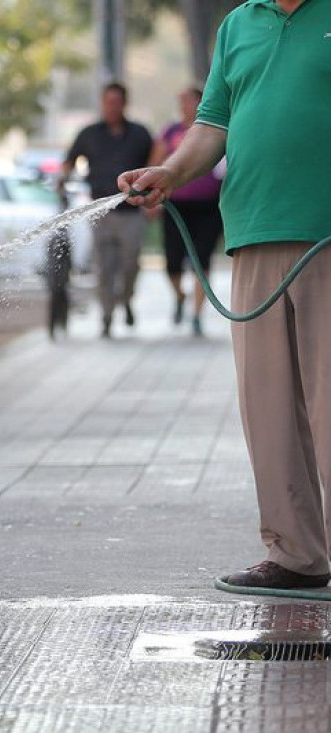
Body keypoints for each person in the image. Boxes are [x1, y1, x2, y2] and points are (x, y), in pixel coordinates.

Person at [119, 0, 331, 592]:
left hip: (327, 232)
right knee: (268, 406)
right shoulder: (238, 24)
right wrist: (170, 172)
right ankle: (296, 556)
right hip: (253, 229)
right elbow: (213, 126)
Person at [60, 83, 153, 338]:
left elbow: (155, 161)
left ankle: (125, 299)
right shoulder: (89, 133)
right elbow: (70, 160)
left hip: (132, 212)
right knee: (104, 266)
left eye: (117, 102)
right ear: (102, 103)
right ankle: (107, 316)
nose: (112, 107)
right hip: (101, 212)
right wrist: (61, 177)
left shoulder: (140, 133)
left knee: (131, 262)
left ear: (124, 103)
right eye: (107, 102)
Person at [149, 86, 224, 336]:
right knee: (172, 261)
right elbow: (156, 162)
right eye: (181, 102)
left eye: (189, 101)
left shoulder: (218, 129)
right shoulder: (171, 131)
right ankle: (181, 295)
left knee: (201, 260)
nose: (184, 106)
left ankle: (196, 314)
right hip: (176, 205)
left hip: (208, 206)